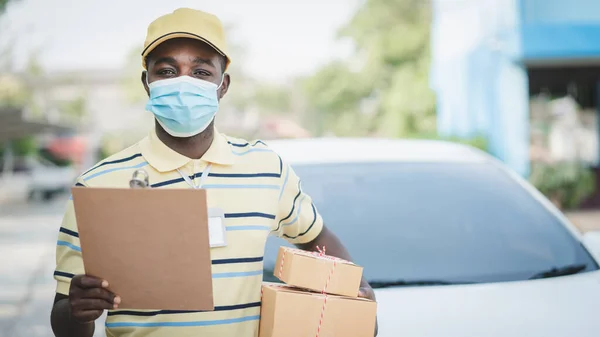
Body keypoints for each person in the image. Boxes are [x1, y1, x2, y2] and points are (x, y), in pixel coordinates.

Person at [50, 8, 376, 337]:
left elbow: (316, 236)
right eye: (166, 70)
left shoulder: (266, 169)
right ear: (146, 82)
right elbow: (65, 321)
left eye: (201, 71)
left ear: (223, 85)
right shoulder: (98, 186)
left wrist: (356, 291)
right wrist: (77, 311)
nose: (183, 82)